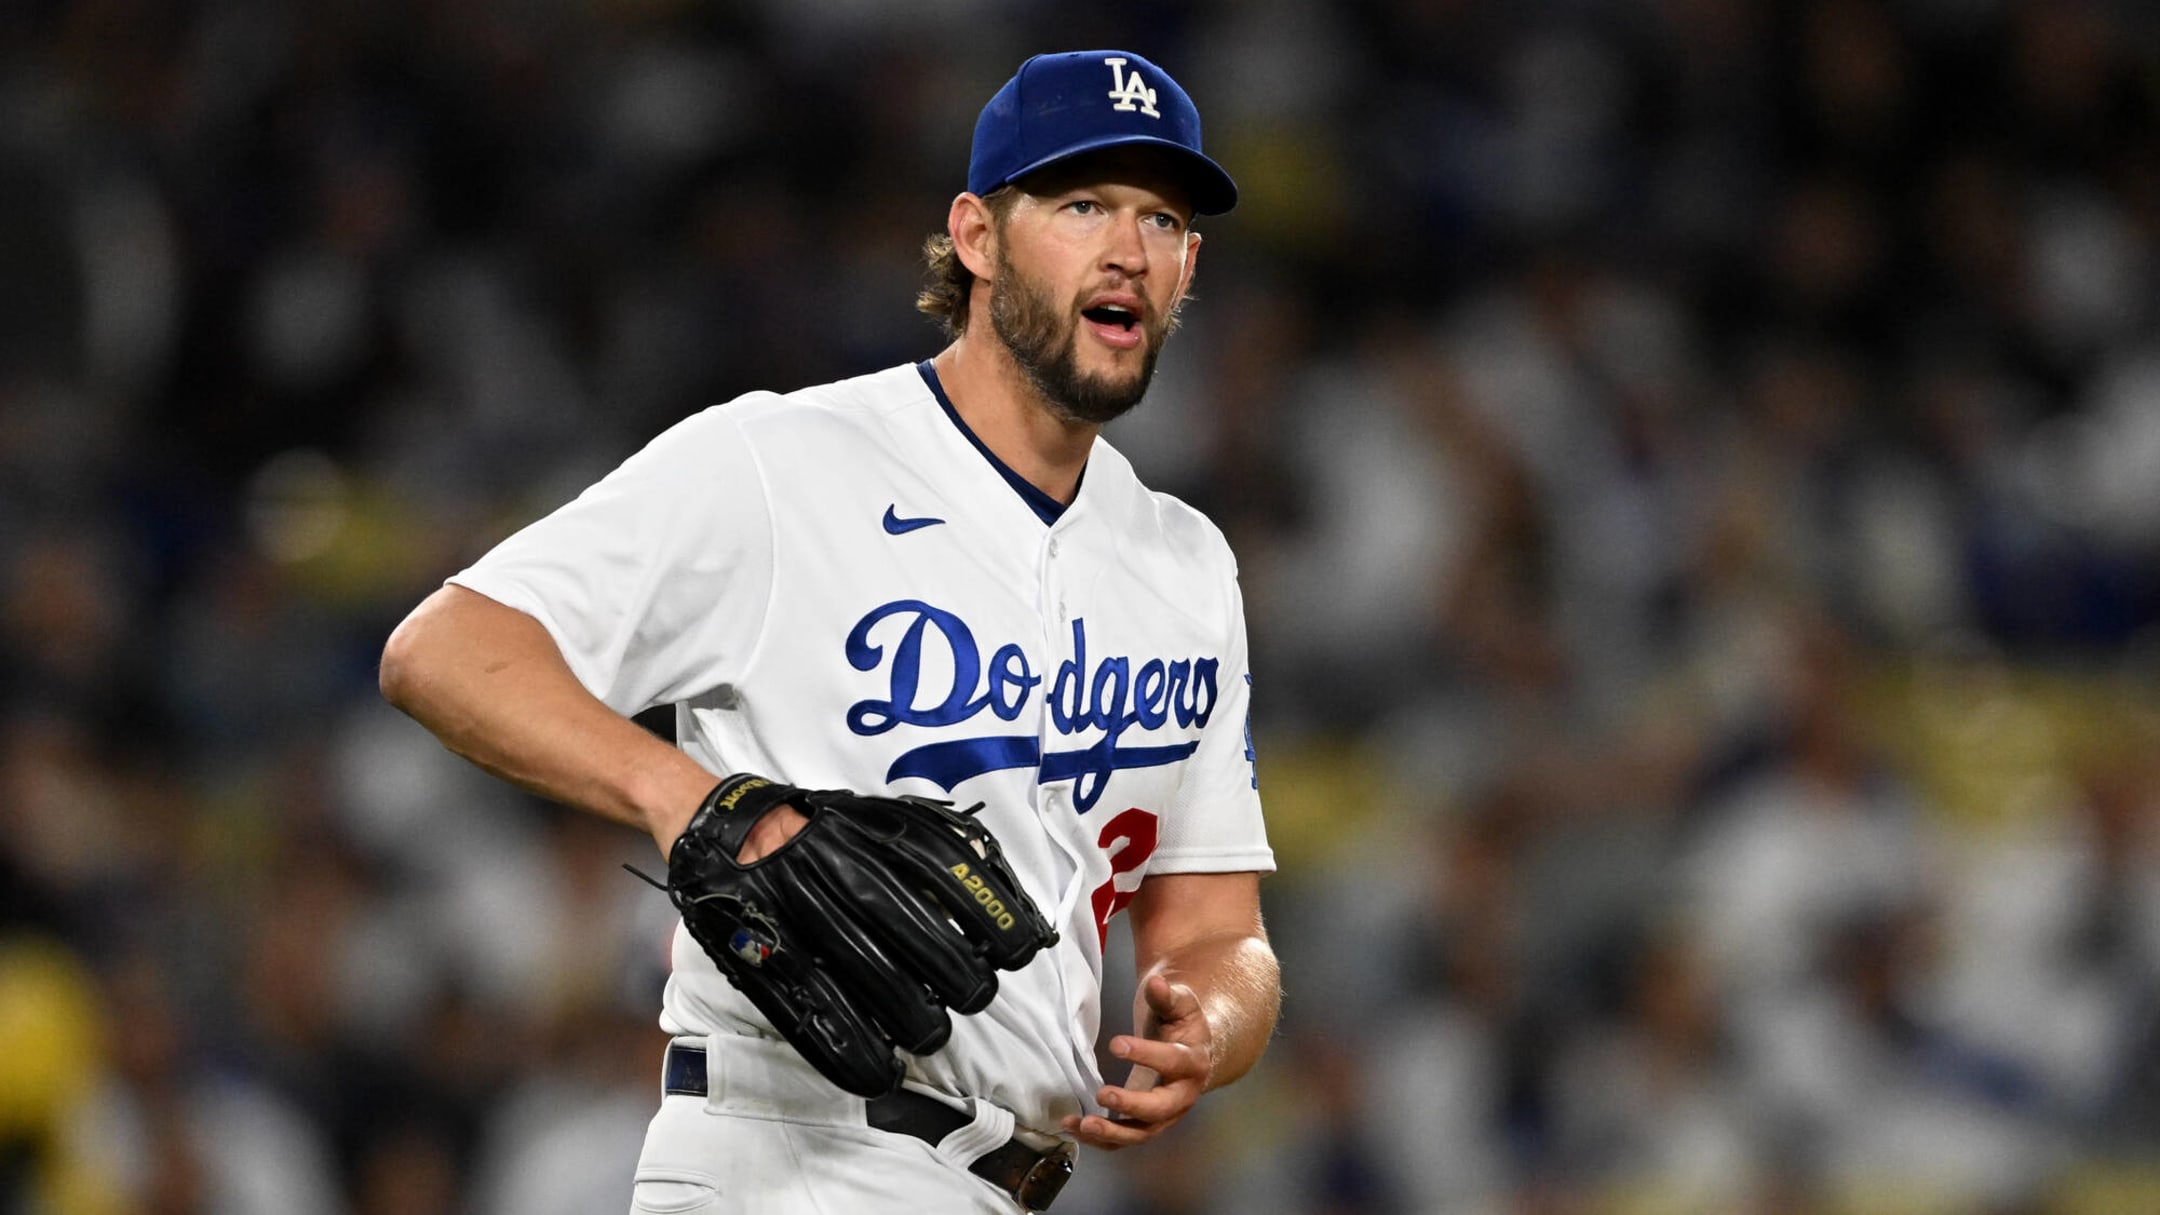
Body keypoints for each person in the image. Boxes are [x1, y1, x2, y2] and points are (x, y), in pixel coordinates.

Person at [378, 48, 1280, 1214]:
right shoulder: (781, 464)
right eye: (1082, 205)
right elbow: (445, 649)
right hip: (790, 1155)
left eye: (1162, 219)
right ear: (976, 236)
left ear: (1189, 264)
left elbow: (1219, 929)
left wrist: (1208, 1021)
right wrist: (694, 802)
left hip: (1015, 1182)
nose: (1128, 250)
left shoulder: (1187, 563)